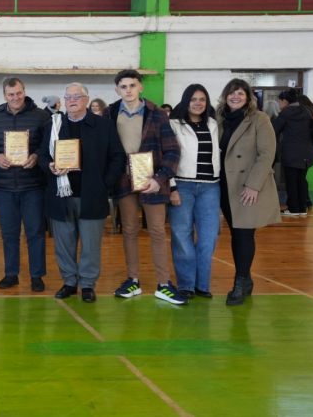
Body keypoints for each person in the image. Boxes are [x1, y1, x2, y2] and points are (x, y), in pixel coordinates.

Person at [108, 69, 185, 305]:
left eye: (132, 85)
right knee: (129, 230)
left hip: (152, 180)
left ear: (140, 87)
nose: (128, 90)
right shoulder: (110, 113)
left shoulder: (157, 114)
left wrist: (160, 179)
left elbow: (172, 150)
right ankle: (133, 280)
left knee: (158, 231)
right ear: (117, 89)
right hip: (124, 181)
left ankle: (164, 284)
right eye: (123, 86)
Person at [42, 83, 125, 303]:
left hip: (92, 195)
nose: (71, 100)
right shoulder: (54, 125)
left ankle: (87, 284)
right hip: (61, 195)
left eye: (77, 96)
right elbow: (42, 155)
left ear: (87, 100)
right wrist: (49, 166)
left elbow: (117, 157)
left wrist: (103, 185)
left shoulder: (104, 126)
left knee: (90, 244)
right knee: (64, 243)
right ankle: (69, 281)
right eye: (68, 97)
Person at [0, 77, 51, 292]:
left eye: (18, 93)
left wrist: (36, 156)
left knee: (35, 232)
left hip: (33, 186)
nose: (15, 98)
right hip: (4, 187)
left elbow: (48, 146)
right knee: (9, 233)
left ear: (24, 91)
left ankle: (37, 275)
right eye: (11, 94)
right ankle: (11, 273)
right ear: (4, 95)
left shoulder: (41, 116)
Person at [217, 78, 280, 305]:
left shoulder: (259, 119)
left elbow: (267, 155)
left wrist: (254, 185)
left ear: (248, 98)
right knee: (236, 233)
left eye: (240, 94)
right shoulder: (219, 119)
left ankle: (241, 281)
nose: (235, 97)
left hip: (246, 187)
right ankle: (246, 278)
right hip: (224, 185)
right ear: (225, 96)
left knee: (244, 233)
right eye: (231, 93)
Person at [167, 84, 221, 300]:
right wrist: (171, 187)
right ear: (185, 101)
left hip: (210, 187)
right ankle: (186, 285)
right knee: (182, 236)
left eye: (202, 99)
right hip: (182, 185)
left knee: (209, 237)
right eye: (193, 99)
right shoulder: (173, 125)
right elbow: (167, 156)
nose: (198, 103)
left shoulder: (214, 124)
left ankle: (202, 285)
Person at [274, 89, 313, 217]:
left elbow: (273, 129)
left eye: (279, 101)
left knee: (291, 182)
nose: (279, 104)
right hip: (307, 153)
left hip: (291, 153)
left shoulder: (286, 113)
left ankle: (293, 209)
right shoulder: (307, 111)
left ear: (285, 101)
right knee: (301, 180)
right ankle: (302, 208)